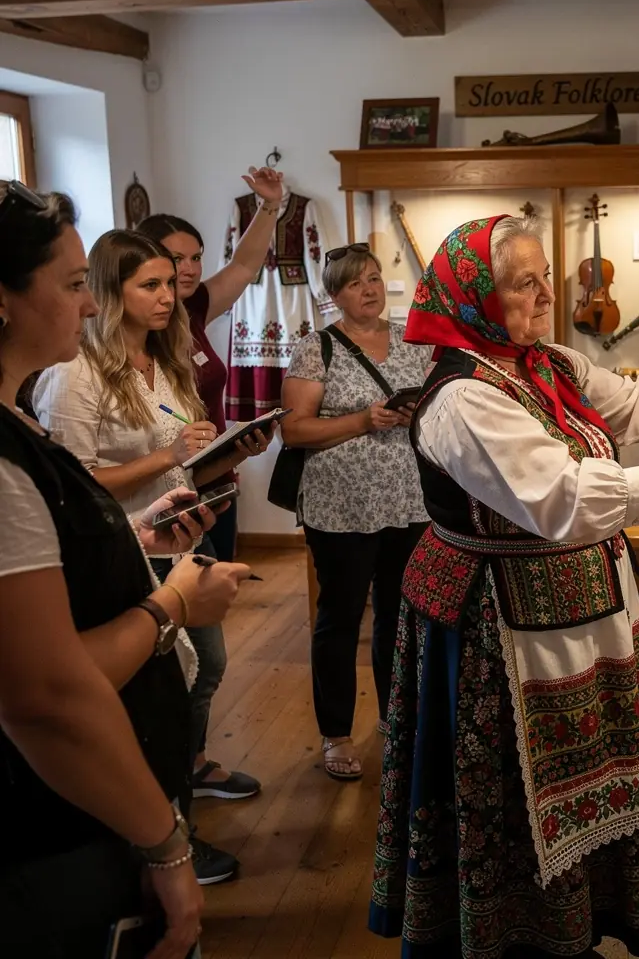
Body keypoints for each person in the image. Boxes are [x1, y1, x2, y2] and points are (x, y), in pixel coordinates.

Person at [369, 215, 639, 958]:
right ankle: (509, 937)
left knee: (589, 775)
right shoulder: (463, 399)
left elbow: (631, 407)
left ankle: (573, 927)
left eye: (544, 276)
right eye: (522, 283)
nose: (544, 295)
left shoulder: (545, 363)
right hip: (493, 633)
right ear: (473, 298)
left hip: (578, 616)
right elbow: (563, 499)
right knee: (509, 791)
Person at [0, 179, 253, 958]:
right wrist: (171, 604)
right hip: (54, 822)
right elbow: (46, 694)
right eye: (74, 285)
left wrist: (142, 530)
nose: (87, 305)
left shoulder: (14, 428)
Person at [33, 228, 273, 886]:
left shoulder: (168, 363)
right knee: (165, 687)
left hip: (174, 539)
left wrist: (229, 453)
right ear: (110, 292)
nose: (170, 297)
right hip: (123, 550)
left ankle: (178, 802)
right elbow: (74, 486)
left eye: (171, 283)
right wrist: (166, 459)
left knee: (199, 672)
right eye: (151, 285)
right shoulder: (74, 377)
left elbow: (183, 459)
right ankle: (167, 833)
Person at [280, 243, 431, 781]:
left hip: (409, 501)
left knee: (398, 617)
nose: (368, 289)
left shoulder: (415, 342)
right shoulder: (315, 348)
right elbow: (294, 429)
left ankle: (395, 720)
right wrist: (364, 420)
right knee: (341, 619)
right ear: (335, 295)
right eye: (354, 284)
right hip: (340, 505)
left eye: (373, 278)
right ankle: (336, 735)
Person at [137, 164, 286, 566]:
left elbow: (243, 266)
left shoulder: (195, 307)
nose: (188, 268)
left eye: (196, 258)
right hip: (166, 487)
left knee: (215, 596)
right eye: (176, 258)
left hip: (217, 478)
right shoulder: (138, 329)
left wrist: (270, 206)